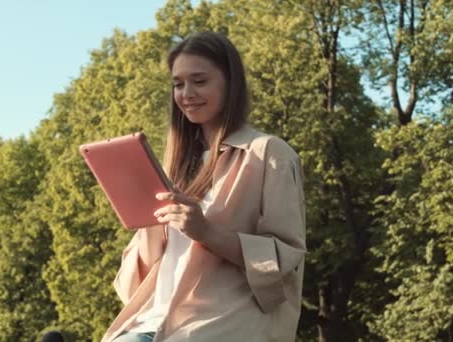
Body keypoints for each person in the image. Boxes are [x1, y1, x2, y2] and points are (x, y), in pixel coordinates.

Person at [102, 32, 306, 342]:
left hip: (219, 325)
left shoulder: (269, 153)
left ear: (230, 83)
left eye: (199, 81)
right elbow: (132, 284)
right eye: (178, 84)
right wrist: (146, 222)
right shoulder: (174, 167)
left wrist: (206, 231)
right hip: (151, 322)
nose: (186, 93)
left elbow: (284, 262)